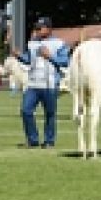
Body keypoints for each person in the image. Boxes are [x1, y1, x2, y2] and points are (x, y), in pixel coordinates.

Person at [14, 17, 69, 148]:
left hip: (50, 84)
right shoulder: (32, 43)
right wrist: (19, 56)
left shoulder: (59, 43)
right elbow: (29, 60)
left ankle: (49, 141)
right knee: (26, 110)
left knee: (50, 114)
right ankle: (32, 139)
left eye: (40, 28)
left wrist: (50, 56)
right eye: (37, 28)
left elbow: (65, 61)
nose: (38, 30)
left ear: (49, 29)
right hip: (33, 84)